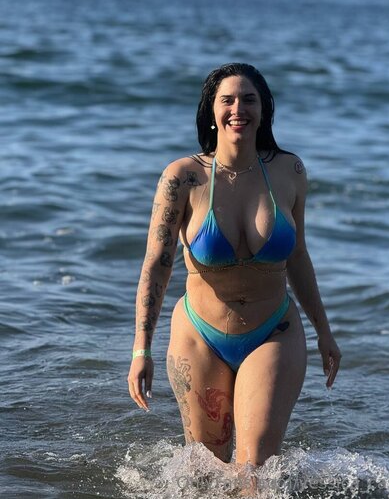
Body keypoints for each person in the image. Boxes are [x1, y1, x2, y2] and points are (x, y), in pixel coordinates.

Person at [127, 63, 341, 471]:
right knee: (206, 469)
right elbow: (156, 265)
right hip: (199, 335)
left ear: (264, 110)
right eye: (227, 100)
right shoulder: (183, 177)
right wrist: (142, 349)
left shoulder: (290, 171)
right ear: (211, 110)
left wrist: (324, 332)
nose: (238, 109)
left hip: (273, 332)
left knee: (255, 467)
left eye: (249, 100)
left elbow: (298, 255)